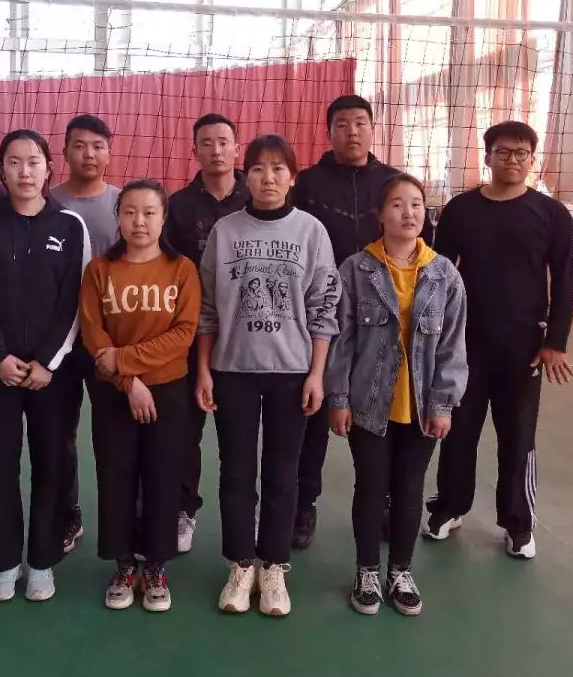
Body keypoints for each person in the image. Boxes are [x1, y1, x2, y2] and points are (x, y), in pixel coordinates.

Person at [196, 134, 340, 617]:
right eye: (258, 168)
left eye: (279, 169)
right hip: (233, 370)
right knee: (236, 472)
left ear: (293, 177)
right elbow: (207, 309)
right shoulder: (225, 231)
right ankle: (241, 565)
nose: (268, 178)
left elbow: (323, 308)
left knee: (283, 472)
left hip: (292, 372)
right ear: (247, 176)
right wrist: (204, 370)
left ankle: (274, 566)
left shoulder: (312, 231)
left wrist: (317, 374)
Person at [423, 121, 573, 559]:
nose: (513, 160)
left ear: (532, 159)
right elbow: (438, 272)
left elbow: (568, 279)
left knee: (518, 436)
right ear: (487, 156)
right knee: (457, 430)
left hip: (523, 348)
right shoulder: (460, 210)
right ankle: (449, 507)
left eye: (521, 153)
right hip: (464, 344)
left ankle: (518, 523)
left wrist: (556, 341)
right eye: (504, 152)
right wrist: (434, 335)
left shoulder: (552, 215)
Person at [290, 94, 434, 550]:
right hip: (318, 314)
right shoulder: (308, 183)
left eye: (360, 123)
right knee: (313, 413)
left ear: (373, 129)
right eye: (341, 124)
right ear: (329, 132)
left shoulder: (392, 183)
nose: (351, 131)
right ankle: (303, 504)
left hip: (381, 321)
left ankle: (387, 503)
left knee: (385, 412)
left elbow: (422, 249)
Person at [326, 173, 468, 617]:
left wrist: (443, 404)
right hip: (369, 404)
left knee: (409, 490)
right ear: (380, 214)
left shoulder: (444, 275)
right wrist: (338, 399)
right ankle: (368, 570)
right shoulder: (355, 270)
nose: (409, 213)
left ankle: (400, 571)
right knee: (371, 488)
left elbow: (453, 346)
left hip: (422, 408)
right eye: (397, 204)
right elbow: (340, 340)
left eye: (416, 204)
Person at [0, 129, 89, 602]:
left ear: (49, 168)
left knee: (52, 463)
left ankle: (42, 561)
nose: (24, 171)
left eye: (33, 161)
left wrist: (48, 362)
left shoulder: (70, 225)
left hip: (53, 374)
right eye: (14, 162)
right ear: (1, 170)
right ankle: (4, 562)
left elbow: (77, 299)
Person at [79, 179, 201, 612]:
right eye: (129, 212)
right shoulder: (99, 270)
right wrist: (129, 382)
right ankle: (123, 564)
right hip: (115, 393)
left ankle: (156, 566)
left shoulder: (181, 269)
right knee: (117, 475)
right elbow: (93, 333)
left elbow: (184, 333)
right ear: (118, 217)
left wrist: (127, 362)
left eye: (149, 212)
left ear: (164, 218)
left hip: (168, 391)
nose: (139, 221)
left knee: (163, 477)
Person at [164, 112, 249, 553]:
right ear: (194, 150)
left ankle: (249, 513)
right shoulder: (178, 206)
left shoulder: (256, 197)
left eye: (223, 141)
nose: (216, 150)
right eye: (207, 143)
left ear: (237, 147)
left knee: (243, 434)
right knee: (184, 430)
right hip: (190, 331)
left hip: (247, 334)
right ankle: (184, 508)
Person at [49, 114, 122, 553]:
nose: (89, 154)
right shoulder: (47, 201)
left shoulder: (123, 204)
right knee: (60, 432)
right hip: (57, 340)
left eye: (97, 146)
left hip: (109, 340)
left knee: (113, 433)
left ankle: (121, 517)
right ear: (65, 152)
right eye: (79, 145)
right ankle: (67, 511)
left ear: (109, 152)